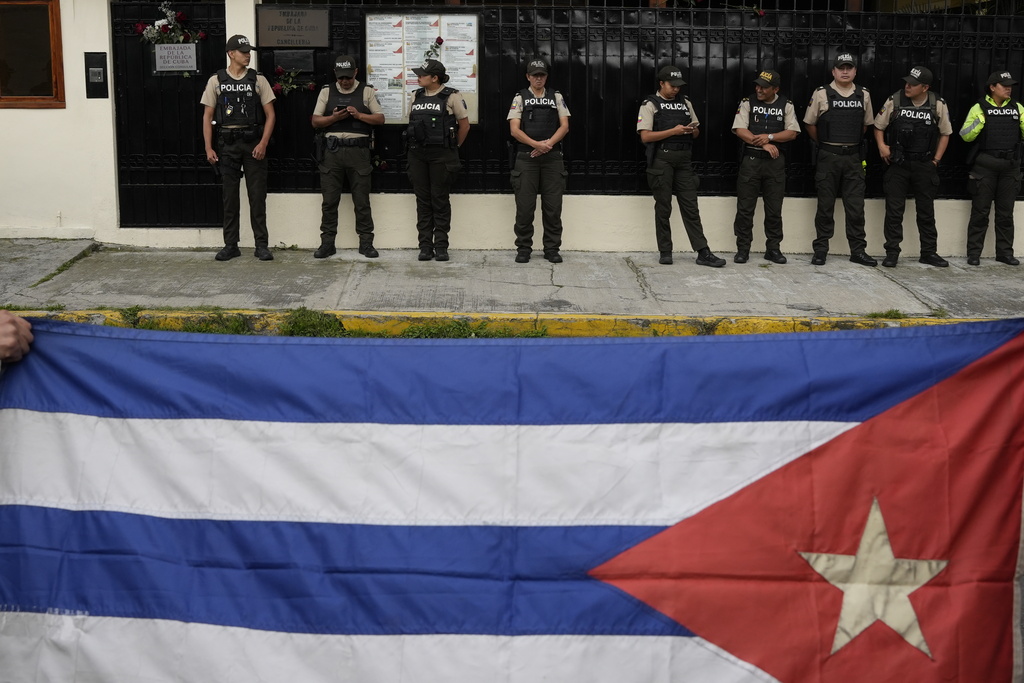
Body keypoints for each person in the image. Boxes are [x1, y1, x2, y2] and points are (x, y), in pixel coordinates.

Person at [637, 65, 725, 267]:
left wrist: (690, 130)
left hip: (684, 161)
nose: (676, 89)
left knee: (691, 207)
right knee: (663, 207)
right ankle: (665, 251)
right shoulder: (650, 104)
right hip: (662, 160)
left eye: (679, 86)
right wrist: (673, 132)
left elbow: (696, 131)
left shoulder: (685, 103)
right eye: (672, 85)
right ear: (661, 83)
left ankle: (703, 252)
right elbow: (646, 136)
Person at [201, 35, 277, 262]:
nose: (248, 55)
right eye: (243, 51)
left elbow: (271, 115)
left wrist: (263, 143)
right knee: (230, 198)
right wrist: (208, 148)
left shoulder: (258, 79)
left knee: (257, 197)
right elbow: (207, 116)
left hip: (253, 144)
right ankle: (230, 245)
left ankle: (261, 246)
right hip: (228, 145)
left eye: (248, 51)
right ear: (231, 53)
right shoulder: (216, 80)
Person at [873, 66, 952, 268]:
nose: (907, 86)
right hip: (898, 165)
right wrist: (882, 146)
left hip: (924, 165)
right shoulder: (895, 100)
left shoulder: (937, 103)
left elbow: (945, 133)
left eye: (913, 84)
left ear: (925, 87)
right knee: (894, 211)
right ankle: (892, 252)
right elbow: (879, 126)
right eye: (907, 82)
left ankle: (929, 252)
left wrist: (936, 160)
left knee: (926, 211)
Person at [803, 53, 877, 267]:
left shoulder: (863, 94)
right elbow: (810, 124)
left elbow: (865, 125)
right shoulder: (821, 93)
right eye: (841, 68)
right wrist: (825, 144)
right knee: (825, 207)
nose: (845, 71)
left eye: (849, 68)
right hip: (828, 157)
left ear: (855, 71)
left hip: (853, 157)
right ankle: (821, 250)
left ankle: (858, 250)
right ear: (833, 71)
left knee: (856, 207)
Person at [311, 55, 385, 259]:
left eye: (348, 77)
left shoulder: (366, 91)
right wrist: (334, 118)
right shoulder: (327, 90)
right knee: (329, 201)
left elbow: (380, 118)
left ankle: (366, 243)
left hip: (358, 152)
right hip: (332, 152)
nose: (344, 82)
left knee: (361, 200)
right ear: (336, 74)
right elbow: (315, 121)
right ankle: (327, 243)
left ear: (355, 72)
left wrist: (359, 115)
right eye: (341, 77)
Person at [730, 69, 800, 264]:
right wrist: (764, 143)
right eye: (758, 85)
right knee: (745, 208)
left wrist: (770, 137)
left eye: (764, 87)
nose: (759, 89)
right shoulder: (747, 102)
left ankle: (773, 249)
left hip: (775, 164)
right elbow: (740, 130)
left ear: (775, 89)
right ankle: (743, 249)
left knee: (774, 209)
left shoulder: (786, 104)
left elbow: (792, 132)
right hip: (751, 161)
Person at [507, 57, 571, 264]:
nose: (538, 78)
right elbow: (514, 130)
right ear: (528, 77)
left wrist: (547, 146)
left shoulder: (556, 96)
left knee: (553, 208)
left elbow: (565, 126)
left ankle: (552, 248)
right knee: (525, 207)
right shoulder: (520, 97)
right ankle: (524, 248)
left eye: (542, 75)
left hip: (552, 158)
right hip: (526, 158)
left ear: (546, 76)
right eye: (535, 75)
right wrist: (537, 145)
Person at [406, 59, 470, 262]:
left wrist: (453, 147)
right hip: (418, 154)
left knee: (440, 199)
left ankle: (441, 245)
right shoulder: (416, 95)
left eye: (422, 75)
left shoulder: (451, 96)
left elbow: (465, 125)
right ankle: (425, 246)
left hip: (442, 154)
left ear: (435, 78)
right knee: (422, 200)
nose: (418, 77)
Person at [959, 70, 1024, 266]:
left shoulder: (1017, 108)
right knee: (980, 211)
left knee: (1006, 213)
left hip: (1010, 167)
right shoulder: (979, 107)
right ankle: (974, 253)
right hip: (985, 166)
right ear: (992, 87)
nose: (1008, 88)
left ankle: (1004, 253)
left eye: (1010, 85)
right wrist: (982, 120)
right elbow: (965, 135)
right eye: (1004, 85)